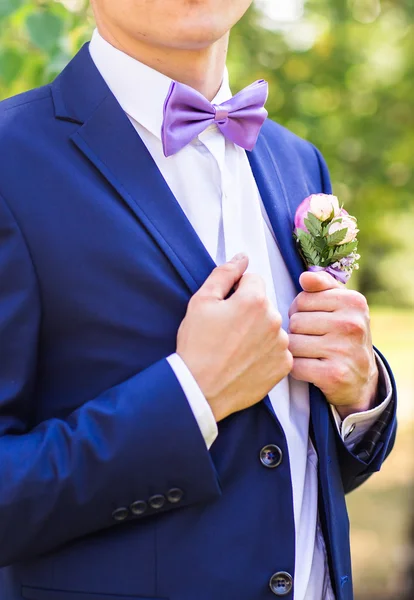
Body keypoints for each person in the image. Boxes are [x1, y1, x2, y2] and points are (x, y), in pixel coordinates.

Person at [0, 1, 396, 599]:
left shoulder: (298, 162)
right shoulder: (10, 162)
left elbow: (281, 463)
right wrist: (191, 399)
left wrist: (360, 395)